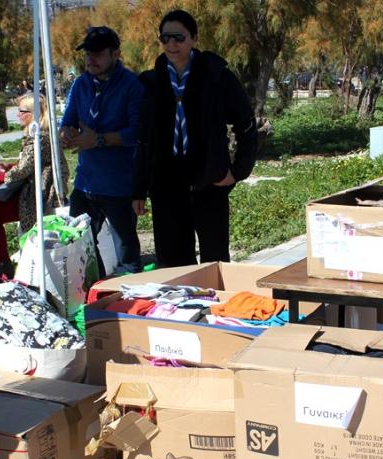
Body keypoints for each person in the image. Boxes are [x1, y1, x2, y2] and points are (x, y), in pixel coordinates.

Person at [133, 10, 257, 267]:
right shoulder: (151, 82)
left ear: (194, 39)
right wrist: (138, 189)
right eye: (165, 38)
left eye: (179, 38)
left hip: (208, 181)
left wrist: (238, 170)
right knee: (174, 265)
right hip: (167, 186)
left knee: (215, 262)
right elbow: (143, 140)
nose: (171, 44)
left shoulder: (216, 75)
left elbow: (245, 123)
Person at [61, 26, 144, 276]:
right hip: (85, 183)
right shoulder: (80, 84)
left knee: (127, 255)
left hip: (119, 185)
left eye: (97, 54)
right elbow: (68, 119)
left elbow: (137, 133)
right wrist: (67, 132)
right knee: (78, 247)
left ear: (116, 54)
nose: (90, 60)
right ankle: (95, 289)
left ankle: (129, 294)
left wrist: (97, 139)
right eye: (87, 54)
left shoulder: (132, 85)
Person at [0, 94, 69, 277]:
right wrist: (9, 166)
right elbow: (29, 164)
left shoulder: (39, 137)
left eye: (22, 111)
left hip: (37, 195)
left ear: (34, 114)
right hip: (31, 190)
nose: (18, 115)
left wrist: (1, 176)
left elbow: (25, 168)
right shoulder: (38, 135)